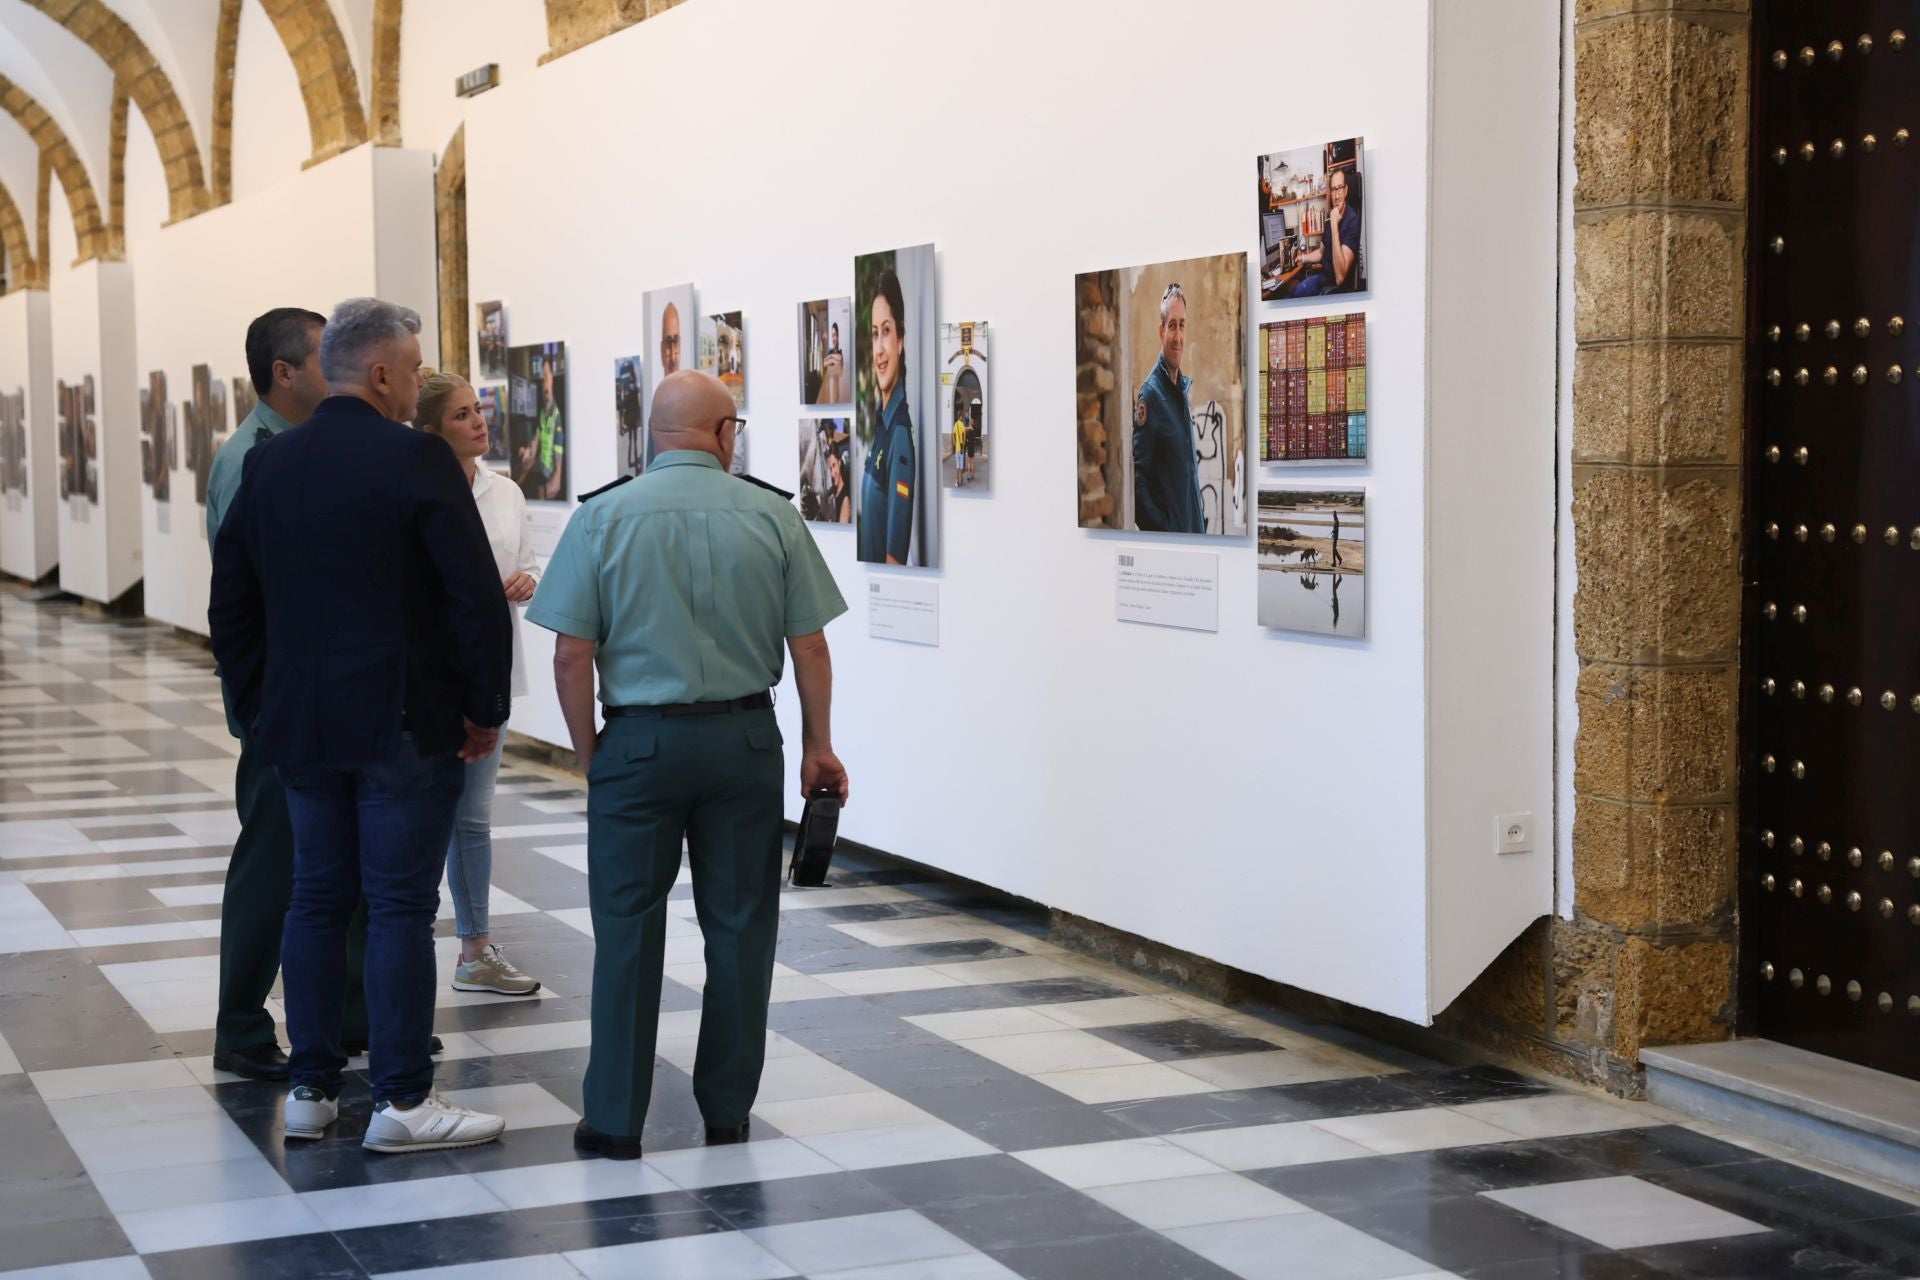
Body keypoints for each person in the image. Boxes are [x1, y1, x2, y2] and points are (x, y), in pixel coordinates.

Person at [208, 297, 514, 1154]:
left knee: (314, 899)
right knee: (399, 909)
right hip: (404, 725)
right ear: (381, 373)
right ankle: (403, 1101)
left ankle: (311, 1090)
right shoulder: (417, 460)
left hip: (303, 730)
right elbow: (474, 596)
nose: (421, 384)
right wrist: (485, 708)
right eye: (417, 370)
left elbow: (229, 604)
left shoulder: (274, 465)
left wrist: (260, 703)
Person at [527, 369, 849, 1161]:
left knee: (627, 930)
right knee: (740, 930)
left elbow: (572, 655)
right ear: (726, 434)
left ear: (650, 437)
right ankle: (728, 1109)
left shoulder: (603, 517)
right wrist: (818, 745)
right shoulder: (773, 515)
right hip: (743, 744)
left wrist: (592, 752)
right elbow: (809, 643)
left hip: (639, 744)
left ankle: (614, 1120)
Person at [205, 306, 374, 1081]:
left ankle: (345, 1014)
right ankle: (241, 1027)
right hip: (280, 697)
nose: (335, 370)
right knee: (274, 860)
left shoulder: (295, 449)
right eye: (321, 358)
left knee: (330, 855)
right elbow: (251, 595)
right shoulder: (254, 459)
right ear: (285, 372)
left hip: (312, 691)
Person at [416, 372, 544, 998]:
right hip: (431, 673)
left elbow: (529, 560)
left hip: (489, 669)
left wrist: (527, 579)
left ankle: (475, 948)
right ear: (434, 429)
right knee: (415, 814)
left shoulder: (507, 492)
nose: (479, 422)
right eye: (463, 414)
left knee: (473, 815)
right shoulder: (416, 489)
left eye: (479, 410)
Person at [1132, 283, 1205, 534]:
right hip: (1172, 546)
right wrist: (1165, 531)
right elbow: (1137, 483)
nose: (1178, 337)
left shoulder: (1180, 390)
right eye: (1172, 325)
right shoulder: (1151, 395)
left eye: (1182, 325)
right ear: (1161, 330)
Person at [857, 272, 916, 564]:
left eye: (887, 331)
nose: (879, 348)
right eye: (874, 333)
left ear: (901, 339)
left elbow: (894, 561)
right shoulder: (883, 427)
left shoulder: (900, 434)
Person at [1289, 167, 1362, 298]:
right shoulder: (1330, 217)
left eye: (1340, 188)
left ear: (1346, 190)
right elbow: (1321, 252)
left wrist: (1334, 224)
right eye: (1334, 189)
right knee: (1293, 293)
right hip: (1323, 279)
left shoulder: (1352, 221)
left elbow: (1340, 277)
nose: (1337, 195)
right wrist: (1303, 258)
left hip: (1334, 288)